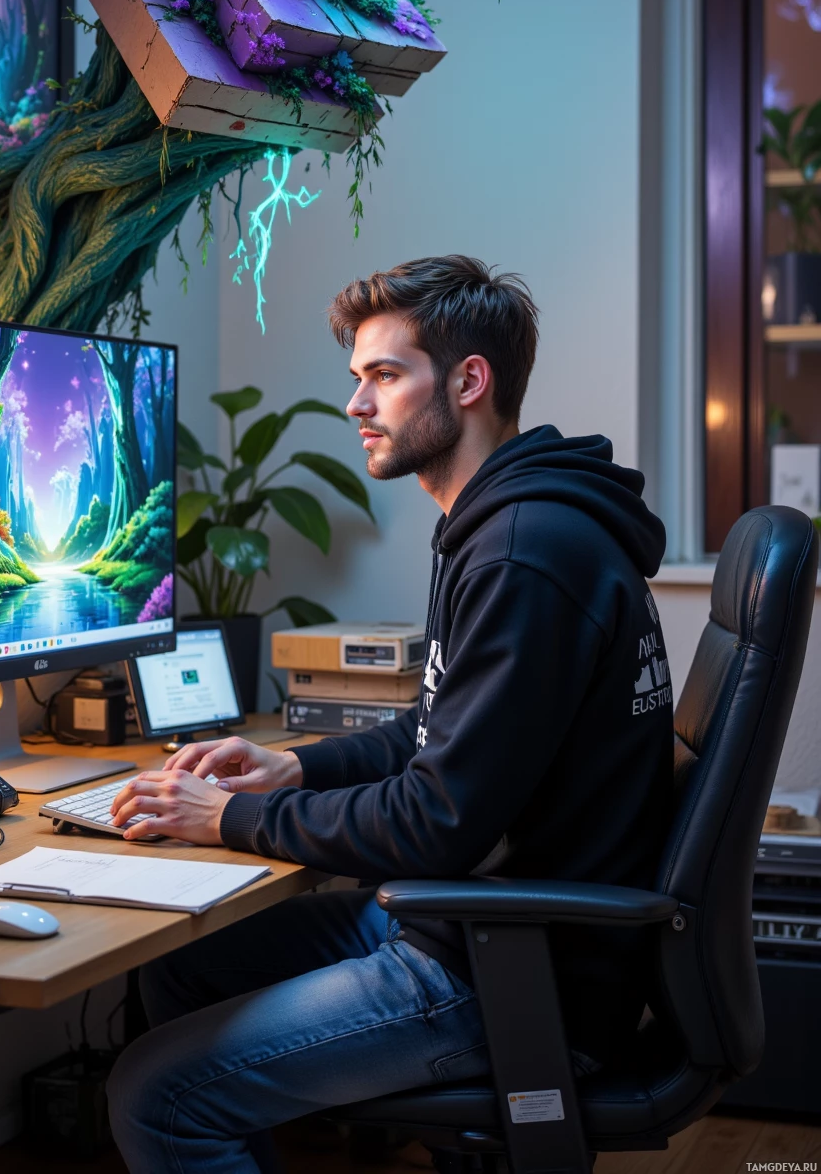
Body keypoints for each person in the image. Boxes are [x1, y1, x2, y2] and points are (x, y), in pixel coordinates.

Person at [107, 255, 673, 1174]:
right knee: (184, 966)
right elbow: (430, 731)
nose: (356, 405)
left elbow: (437, 822)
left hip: (512, 972)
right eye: (356, 379)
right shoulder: (504, 522)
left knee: (156, 1096)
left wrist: (234, 819)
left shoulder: (522, 555)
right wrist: (293, 769)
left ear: (469, 381)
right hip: (484, 927)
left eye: (383, 375)